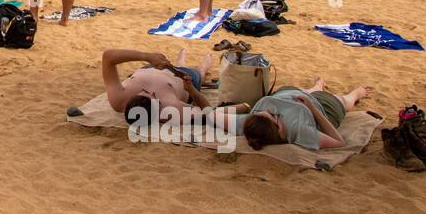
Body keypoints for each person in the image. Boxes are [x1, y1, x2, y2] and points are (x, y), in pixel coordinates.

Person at [100, 46, 231, 125]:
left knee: (177, 65)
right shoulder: (171, 109)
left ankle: (181, 60)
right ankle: (204, 64)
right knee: (200, 72)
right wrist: (191, 90)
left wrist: (147, 56)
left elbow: (108, 57)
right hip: (183, 78)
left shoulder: (119, 100)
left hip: (151, 67)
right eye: (153, 96)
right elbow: (207, 112)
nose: (150, 91)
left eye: (143, 91)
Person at [239, 79, 371, 151]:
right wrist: (313, 109)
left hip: (290, 95)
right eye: (273, 115)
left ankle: (317, 86)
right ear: (278, 129)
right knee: (342, 101)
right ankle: (357, 93)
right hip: (322, 107)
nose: (272, 111)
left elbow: (217, 115)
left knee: (305, 92)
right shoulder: (300, 131)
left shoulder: (249, 127)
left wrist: (242, 107)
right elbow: (339, 142)